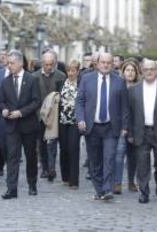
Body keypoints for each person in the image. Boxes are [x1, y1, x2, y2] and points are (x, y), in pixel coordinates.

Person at [75, 52, 129, 200]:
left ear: (112, 65)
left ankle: (107, 189)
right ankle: (99, 189)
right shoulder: (86, 79)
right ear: (97, 64)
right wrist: (80, 119)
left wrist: (124, 127)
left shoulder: (119, 81)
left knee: (109, 158)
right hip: (92, 127)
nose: (105, 65)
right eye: (103, 62)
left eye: (108, 63)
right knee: (95, 161)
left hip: (111, 127)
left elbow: (124, 106)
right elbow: (79, 101)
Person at [127, 59, 157, 204]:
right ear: (142, 71)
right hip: (141, 132)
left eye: (152, 69)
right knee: (142, 164)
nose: (149, 72)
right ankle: (144, 192)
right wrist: (130, 133)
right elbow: (129, 113)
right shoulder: (134, 90)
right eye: (146, 69)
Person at [0, 50, 41, 199]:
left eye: (12, 63)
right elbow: (1, 101)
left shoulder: (31, 79)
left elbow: (36, 101)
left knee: (30, 156)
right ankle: (11, 189)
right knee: (12, 157)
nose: (9, 66)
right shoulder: (5, 81)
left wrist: (21, 112)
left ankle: (32, 184)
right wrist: (4, 109)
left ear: (20, 63)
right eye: (8, 63)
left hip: (28, 125)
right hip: (11, 126)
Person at [33, 51, 66, 181]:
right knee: (41, 143)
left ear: (55, 63)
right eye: (46, 64)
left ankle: (51, 168)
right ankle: (45, 168)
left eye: (51, 64)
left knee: (52, 143)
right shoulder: (34, 77)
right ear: (42, 63)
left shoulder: (61, 76)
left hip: (55, 116)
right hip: (39, 115)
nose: (48, 67)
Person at [113, 60, 140, 194]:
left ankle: (131, 181)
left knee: (133, 157)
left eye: (132, 70)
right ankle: (117, 183)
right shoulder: (118, 86)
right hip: (121, 126)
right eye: (127, 70)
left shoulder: (140, 88)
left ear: (136, 73)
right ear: (123, 72)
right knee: (119, 155)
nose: (130, 73)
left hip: (135, 127)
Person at [58, 60, 81, 189]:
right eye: (68, 70)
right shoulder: (62, 83)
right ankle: (65, 176)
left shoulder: (81, 84)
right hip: (62, 120)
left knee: (73, 148)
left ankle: (74, 180)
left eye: (73, 70)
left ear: (78, 71)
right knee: (63, 148)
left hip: (75, 121)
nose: (71, 73)